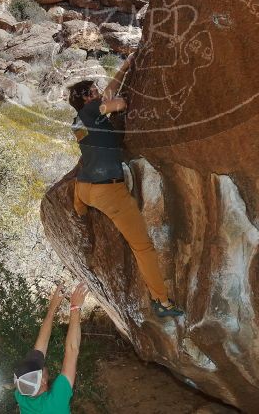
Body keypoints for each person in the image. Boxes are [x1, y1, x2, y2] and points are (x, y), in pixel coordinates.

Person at [67, 57, 184, 318]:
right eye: (94, 92)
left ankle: (80, 209)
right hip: (109, 192)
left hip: (85, 187)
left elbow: (109, 93)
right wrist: (116, 103)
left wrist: (126, 66)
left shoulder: (80, 119)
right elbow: (120, 103)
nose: (99, 94)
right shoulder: (92, 111)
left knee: (83, 197)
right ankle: (161, 301)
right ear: (87, 99)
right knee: (143, 248)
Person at [13, 282, 89, 413]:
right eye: (40, 367)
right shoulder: (54, 404)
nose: (41, 362)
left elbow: (39, 350)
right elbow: (72, 351)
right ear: (42, 381)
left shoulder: (22, 395)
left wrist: (52, 308)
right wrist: (75, 307)